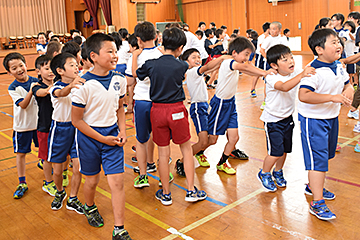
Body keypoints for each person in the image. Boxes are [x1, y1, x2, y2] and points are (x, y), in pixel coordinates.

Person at [133, 27, 207, 206]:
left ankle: (166, 193)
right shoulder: (181, 64)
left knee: (163, 153)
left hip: (157, 111)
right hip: (177, 110)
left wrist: (135, 56)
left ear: (161, 42)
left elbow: (138, 75)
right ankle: (191, 190)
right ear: (181, 48)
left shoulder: (151, 64)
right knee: (186, 150)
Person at [71, 33, 132, 240]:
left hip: (112, 136)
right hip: (89, 139)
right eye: (110, 52)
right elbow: (77, 121)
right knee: (92, 180)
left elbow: (120, 108)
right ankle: (89, 206)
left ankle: (119, 229)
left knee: (117, 183)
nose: (115, 56)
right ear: (94, 56)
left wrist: (122, 131)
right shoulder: (82, 85)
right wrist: (102, 139)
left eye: (116, 51)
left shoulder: (119, 79)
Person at [298, 28, 353, 220]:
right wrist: (331, 97)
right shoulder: (314, 71)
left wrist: (350, 89)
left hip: (331, 118)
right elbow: (303, 95)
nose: (338, 45)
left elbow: (347, 83)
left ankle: (312, 186)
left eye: (338, 41)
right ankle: (317, 202)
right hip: (313, 121)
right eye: (333, 42)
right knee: (318, 161)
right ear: (319, 49)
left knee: (325, 156)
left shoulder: (338, 66)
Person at [207, 37, 275, 175]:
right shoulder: (229, 62)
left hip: (230, 103)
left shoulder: (235, 62)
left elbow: (248, 70)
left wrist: (262, 74)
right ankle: (197, 151)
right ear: (234, 53)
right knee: (212, 140)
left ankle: (222, 163)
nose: (247, 58)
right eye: (246, 54)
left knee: (234, 138)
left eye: (249, 55)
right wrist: (264, 72)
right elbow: (244, 67)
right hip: (219, 104)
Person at [257, 44, 315, 191]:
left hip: (287, 119)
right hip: (272, 121)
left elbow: (307, 71)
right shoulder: (271, 77)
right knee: (275, 152)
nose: (291, 61)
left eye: (291, 58)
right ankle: (264, 173)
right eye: (285, 60)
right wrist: (301, 75)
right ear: (274, 65)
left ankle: (278, 171)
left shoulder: (293, 74)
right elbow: (284, 87)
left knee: (284, 150)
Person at [175, 49, 231, 177]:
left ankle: (199, 153)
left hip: (206, 105)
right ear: (186, 61)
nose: (197, 59)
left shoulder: (197, 72)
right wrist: (222, 58)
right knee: (202, 141)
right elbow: (207, 67)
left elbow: (210, 68)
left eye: (199, 57)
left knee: (212, 140)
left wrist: (221, 63)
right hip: (198, 107)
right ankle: (182, 162)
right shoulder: (192, 71)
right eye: (194, 57)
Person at [125, 21, 162, 188]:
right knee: (159, 138)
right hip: (160, 101)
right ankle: (154, 165)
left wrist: (133, 56)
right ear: (155, 36)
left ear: (138, 39)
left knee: (141, 139)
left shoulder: (136, 56)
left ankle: (142, 175)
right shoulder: (163, 53)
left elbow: (132, 78)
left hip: (142, 101)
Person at [48, 53, 84, 213]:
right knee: (57, 170)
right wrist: (72, 85)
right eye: (71, 65)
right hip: (60, 130)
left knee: (78, 168)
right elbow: (61, 93)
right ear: (60, 70)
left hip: (77, 128)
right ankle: (60, 192)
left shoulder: (81, 84)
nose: (76, 67)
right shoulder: (55, 87)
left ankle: (73, 198)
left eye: (76, 64)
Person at [4, 52, 39, 199]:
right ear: (9, 72)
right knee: (21, 154)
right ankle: (22, 182)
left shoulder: (37, 80)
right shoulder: (13, 88)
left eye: (21, 65)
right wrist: (32, 90)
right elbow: (23, 105)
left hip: (39, 125)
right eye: (14, 68)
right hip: (22, 127)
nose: (19, 69)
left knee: (44, 151)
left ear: (26, 65)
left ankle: (50, 178)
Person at [32, 55, 56, 196]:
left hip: (58, 126)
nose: (50, 71)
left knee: (62, 155)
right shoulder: (37, 86)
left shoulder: (58, 84)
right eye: (46, 68)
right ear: (38, 71)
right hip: (44, 127)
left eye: (52, 68)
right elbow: (41, 93)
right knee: (46, 158)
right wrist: (53, 88)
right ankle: (48, 182)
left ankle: (62, 175)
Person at [259, 21, 288, 110]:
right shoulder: (268, 39)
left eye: (274, 29)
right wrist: (269, 60)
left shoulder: (283, 39)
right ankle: (265, 100)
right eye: (271, 29)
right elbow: (262, 50)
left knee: (280, 81)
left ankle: (279, 101)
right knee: (268, 82)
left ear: (280, 30)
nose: (272, 31)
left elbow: (286, 50)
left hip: (280, 63)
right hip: (270, 64)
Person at [251, 22, 270, 98]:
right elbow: (261, 46)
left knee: (267, 73)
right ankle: (252, 89)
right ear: (268, 29)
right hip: (260, 56)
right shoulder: (262, 37)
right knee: (257, 73)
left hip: (267, 56)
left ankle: (267, 93)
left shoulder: (270, 37)